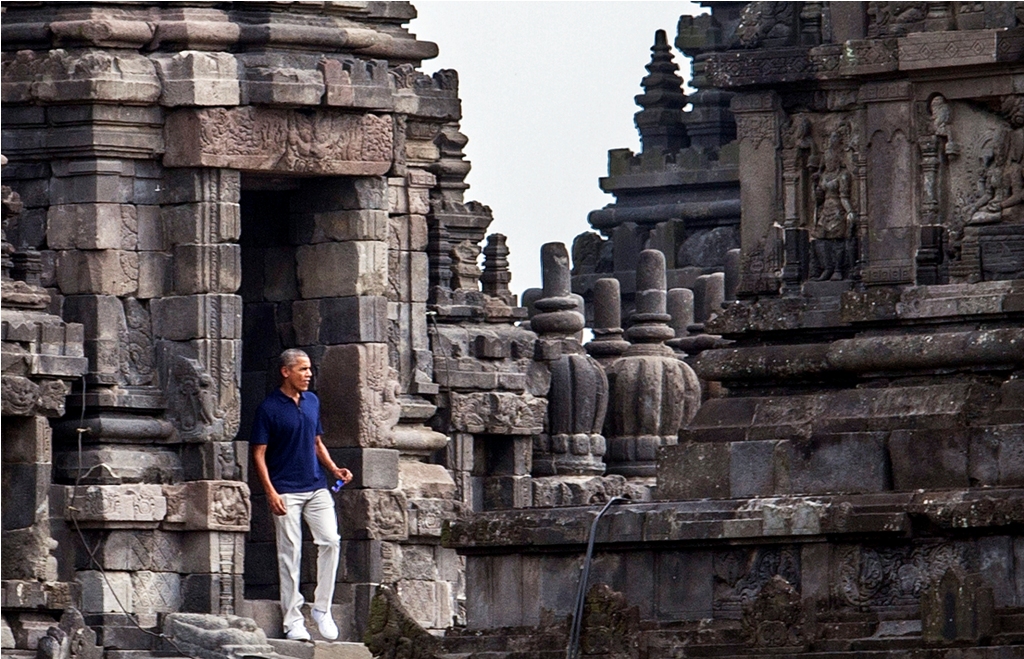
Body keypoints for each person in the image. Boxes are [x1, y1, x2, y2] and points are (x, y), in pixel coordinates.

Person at [251, 349, 353, 641]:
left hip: (316, 485)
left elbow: (316, 441)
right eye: (303, 369)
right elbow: (258, 453)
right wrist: (270, 492)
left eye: (310, 369)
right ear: (286, 371)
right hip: (285, 490)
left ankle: (322, 609)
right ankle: (293, 621)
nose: (309, 374)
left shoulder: (312, 401)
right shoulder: (268, 408)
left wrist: (334, 469)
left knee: (331, 541)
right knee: (290, 554)